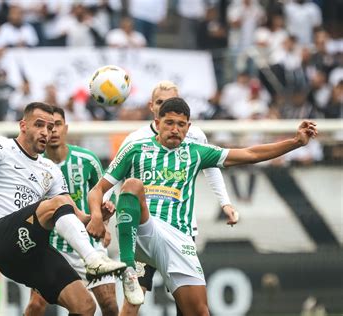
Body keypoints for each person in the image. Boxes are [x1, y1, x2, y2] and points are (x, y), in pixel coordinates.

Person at [87, 97, 318, 314]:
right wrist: (96, 217)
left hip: (180, 238)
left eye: (181, 124)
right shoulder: (135, 149)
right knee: (133, 185)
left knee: (199, 311)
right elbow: (97, 190)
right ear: (157, 123)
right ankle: (128, 269)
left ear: (189, 127)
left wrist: (296, 142)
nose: (175, 129)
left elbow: (249, 153)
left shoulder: (196, 152)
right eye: (169, 123)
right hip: (145, 229)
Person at [0, 102, 126, 315]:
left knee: (84, 306)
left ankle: (93, 260)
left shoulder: (51, 170)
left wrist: (96, 217)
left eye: (50, 127)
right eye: (39, 125)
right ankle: (93, 259)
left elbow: (72, 213)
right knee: (55, 204)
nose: (46, 132)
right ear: (23, 125)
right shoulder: (2, 145)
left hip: (28, 247)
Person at [116, 80, 238, 315]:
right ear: (153, 107)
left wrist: (225, 202)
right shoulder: (134, 140)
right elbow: (115, 176)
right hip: (144, 229)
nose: (168, 107)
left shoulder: (194, 136)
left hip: (180, 231)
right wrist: (107, 205)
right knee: (133, 298)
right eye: (161, 103)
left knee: (187, 306)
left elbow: (212, 166)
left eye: (173, 101)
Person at [25, 106, 119, 316]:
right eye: (49, 127)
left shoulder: (87, 159)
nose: (54, 131)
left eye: (58, 125)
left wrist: (104, 223)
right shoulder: (35, 166)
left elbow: (104, 192)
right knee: (36, 306)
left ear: (66, 128)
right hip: (53, 248)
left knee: (110, 304)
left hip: (90, 244)